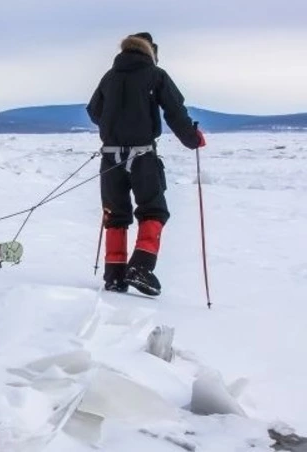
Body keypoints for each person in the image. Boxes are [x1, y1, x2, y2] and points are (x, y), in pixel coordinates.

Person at [86, 32, 206, 296]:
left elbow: (94, 111)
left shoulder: (110, 76)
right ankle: (141, 267)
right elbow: (175, 110)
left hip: (110, 156)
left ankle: (114, 275)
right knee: (153, 211)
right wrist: (192, 138)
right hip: (142, 155)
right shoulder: (155, 74)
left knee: (115, 215)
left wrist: (115, 124)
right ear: (151, 51)